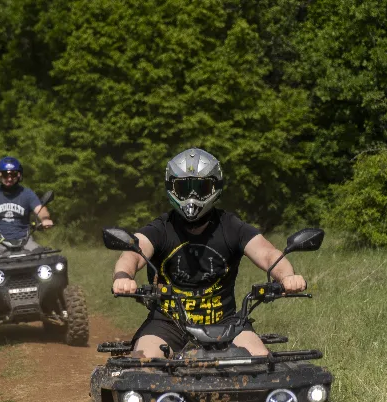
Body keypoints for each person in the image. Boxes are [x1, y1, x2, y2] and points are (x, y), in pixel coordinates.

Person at [111, 148, 307, 358]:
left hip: (226, 322)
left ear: (215, 188)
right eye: (184, 187)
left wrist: (287, 277)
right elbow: (133, 253)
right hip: (167, 323)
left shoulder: (231, 227)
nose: (192, 196)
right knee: (144, 362)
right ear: (171, 188)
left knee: (259, 358)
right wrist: (124, 276)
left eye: (201, 187)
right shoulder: (161, 228)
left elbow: (268, 254)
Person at [0, 157, 53, 256]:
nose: (9, 178)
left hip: (24, 241)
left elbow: (40, 209)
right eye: (5, 175)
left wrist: (45, 219)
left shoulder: (27, 194)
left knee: (43, 259)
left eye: (13, 174)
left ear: (19, 175)